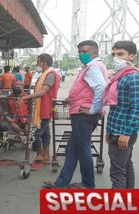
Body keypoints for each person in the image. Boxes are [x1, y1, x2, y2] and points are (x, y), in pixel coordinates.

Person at [44, 40, 107, 189]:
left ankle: (88, 184)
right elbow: (87, 89)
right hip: (83, 112)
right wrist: (71, 98)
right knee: (72, 148)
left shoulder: (92, 67)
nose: (81, 55)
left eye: (85, 52)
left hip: (83, 114)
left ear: (95, 53)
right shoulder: (95, 66)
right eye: (79, 52)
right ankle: (61, 183)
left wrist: (92, 109)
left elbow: (101, 87)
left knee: (83, 147)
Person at [104, 41, 139, 189]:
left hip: (124, 132)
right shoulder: (120, 76)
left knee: (117, 171)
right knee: (126, 166)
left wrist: (126, 133)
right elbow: (116, 108)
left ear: (132, 56)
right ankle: (129, 200)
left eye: (120, 54)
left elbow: (137, 108)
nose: (116, 58)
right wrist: (109, 132)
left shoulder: (133, 77)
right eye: (114, 54)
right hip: (116, 130)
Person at [20, 54, 60, 168]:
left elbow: (43, 92)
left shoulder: (50, 74)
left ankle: (40, 154)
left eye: (38, 62)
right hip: (43, 107)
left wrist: (26, 97)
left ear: (43, 62)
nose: (37, 65)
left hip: (45, 108)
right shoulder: (46, 74)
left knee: (36, 134)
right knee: (45, 133)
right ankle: (46, 156)